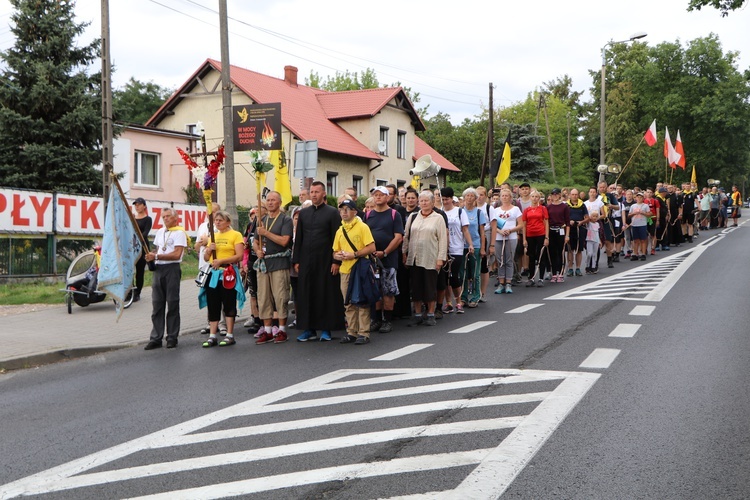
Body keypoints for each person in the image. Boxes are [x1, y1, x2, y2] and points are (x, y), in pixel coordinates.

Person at [293, 180, 345, 341]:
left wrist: (336, 262)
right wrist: (296, 260)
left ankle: (326, 329)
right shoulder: (304, 213)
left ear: (324, 194)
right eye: (312, 192)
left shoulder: (332, 213)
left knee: (326, 294)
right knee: (306, 294)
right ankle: (308, 329)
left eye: (317, 192)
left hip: (325, 260)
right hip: (306, 260)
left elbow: (337, 239)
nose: (314, 195)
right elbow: (299, 238)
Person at [333, 199, 377, 345]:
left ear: (354, 211)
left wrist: (355, 254)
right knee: (348, 302)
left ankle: (363, 333)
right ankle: (351, 331)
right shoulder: (340, 230)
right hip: (345, 269)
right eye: (342, 210)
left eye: (347, 209)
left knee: (362, 300)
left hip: (360, 268)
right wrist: (337, 256)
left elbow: (371, 247)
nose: (344, 212)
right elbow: (335, 251)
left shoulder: (362, 227)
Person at [253, 192, 294, 345]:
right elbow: (255, 241)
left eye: (273, 200)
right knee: (263, 298)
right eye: (268, 200)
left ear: (279, 202)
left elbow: (284, 241)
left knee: (280, 296)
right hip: (264, 264)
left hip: (279, 262)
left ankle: (282, 329)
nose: (270, 203)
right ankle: (268, 330)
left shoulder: (286, 220)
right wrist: (257, 250)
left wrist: (266, 233)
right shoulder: (261, 220)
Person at [144, 208, 187, 350]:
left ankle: (172, 336)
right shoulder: (160, 232)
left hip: (172, 269)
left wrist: (156, 256)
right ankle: (156, 337)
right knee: (157, 304)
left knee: (172, 302)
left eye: (168, 216)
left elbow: (176, 254)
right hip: (159, 269)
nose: (165, 219)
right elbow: (159, 249)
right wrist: (152, 255)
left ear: (175, 218)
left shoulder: (179, 232)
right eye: (163, 217)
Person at [200, 211, 245, 348]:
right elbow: (206, 258)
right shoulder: (213, 236)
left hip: (228, 272)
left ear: (228, 222)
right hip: (214, 274)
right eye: (216, 220)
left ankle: (230, 334)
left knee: (228, 302)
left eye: (220, 220)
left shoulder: (235, 235)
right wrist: (208, 250)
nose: (217, 222)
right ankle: (212, 335)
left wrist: (222, 261)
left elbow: (239, 256)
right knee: (213, 303)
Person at [402, 190, 447, 327]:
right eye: (421, 201)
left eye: (426, 200)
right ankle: (417, 314)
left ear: (433, 202)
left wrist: (440, 259)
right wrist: (404, 253)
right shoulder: (413, 217)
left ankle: (431, 314)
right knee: (416, 287)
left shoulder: (438, 218)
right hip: (415, 257)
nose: (423, 203)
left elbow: (443, 239)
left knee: (430, 286)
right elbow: (406, 236)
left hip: (430, 257)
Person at [365, 186, 404, 334]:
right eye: (376, 195)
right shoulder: (368, 215)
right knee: (375, 289)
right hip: (372, 259)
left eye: (381, 195)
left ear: (388, 197)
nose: (378, 197)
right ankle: (376, 319)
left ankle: (387, 320)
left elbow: (398, 237)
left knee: (388, 290)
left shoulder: (394, 214)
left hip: (388, 258)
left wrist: (385, 252)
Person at [195, 203, 227, 335]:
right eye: (209, 212)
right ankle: (211, 321)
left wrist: (207, 240)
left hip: (218, 265)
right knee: (210, 295)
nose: (211, 215)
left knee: (222, 295)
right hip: (205, 265)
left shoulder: (220, 226)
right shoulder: (203, 226)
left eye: (214, 212)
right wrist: (201, 243)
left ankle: (223, 323)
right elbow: (196, 247)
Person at [491, 188, 522, 294]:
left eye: (506, 196)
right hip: (498, 238)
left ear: (510, 198)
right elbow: (493, 225)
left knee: (509, 260)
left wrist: (510, 230)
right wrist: (499, 231)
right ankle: (501, 283)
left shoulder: (516, 209)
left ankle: (508, 282)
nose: (504, 197)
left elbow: (521, 224)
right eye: (503, 196)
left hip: (511, 237)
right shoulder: (496, 210)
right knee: (500, 261)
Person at [460, 187, 486, 306]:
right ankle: (464, 296)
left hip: (475, 245)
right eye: (467, 196)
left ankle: (476, 296)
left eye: (472, 196)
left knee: (475, 273)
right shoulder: (460, 211)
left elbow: (482, 231)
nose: (469, 198)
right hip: (462, 245)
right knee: (464, 273)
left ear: (475, 198)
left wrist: (482, 248)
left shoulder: (479, 212)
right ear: (464, 198)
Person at [522, 190, 549, 287]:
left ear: (539, 198)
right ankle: (531, 277)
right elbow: (524, 225)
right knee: (531, 257)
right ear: (530, 198)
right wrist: (524, 239)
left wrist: (546, 237)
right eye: (533, 196)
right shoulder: (526, 210)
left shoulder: (543, 209)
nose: (534, 198)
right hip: (530, 235)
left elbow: (546, 223)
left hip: (540, 234)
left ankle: (541, 278)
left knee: (541, 256)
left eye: (536, 197)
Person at [545, 188, 570, 282]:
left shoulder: (564, 207)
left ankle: (561, 273)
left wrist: (567, 235)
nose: (554, 195)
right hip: (551, 230)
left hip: (561, 230)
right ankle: (554, 273)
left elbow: (567, 222)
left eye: (556, 194)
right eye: (553, 194)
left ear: (560, 195)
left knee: (561, 252)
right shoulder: (548, 207)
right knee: (552, 252)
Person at [132, 197, 152, 302]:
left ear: (144, 206)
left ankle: (137, 292)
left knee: (140, 271)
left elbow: (145, 233)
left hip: (142, 247)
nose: (137, 206)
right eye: (135, 205)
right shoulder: (133, 218)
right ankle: (130, 290)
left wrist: (137, 238)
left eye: (139, 204)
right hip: (132, 247)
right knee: (130, 270)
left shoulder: (148, 219)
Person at [566, 188, 588, 277]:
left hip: (580, 229)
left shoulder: (582, 205)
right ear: (570, 195)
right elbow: (563, 217)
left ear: (578, 195)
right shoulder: (566, 206)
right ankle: (570, 268)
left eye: (576, 194)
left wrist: (581, 222)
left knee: (579, 249)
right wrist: (569, 221)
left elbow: (587, 218)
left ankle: (578, 268)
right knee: (570, 249)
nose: (574, 196)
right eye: (573, 194)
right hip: (570, 229)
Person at [627, 192, 651, 261]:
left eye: (641, 197)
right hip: (635, 224)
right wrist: (634, 213)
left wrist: (643, 213)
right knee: (635, 240)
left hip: (642, 224)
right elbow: (629, 215)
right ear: (636, 198)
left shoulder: (645, 206)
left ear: (643, 198)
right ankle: (635, 253)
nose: (639, 198)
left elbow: (649, 214)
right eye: (638, 197)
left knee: (643, 239)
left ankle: (643, 253)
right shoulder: (633, 206)